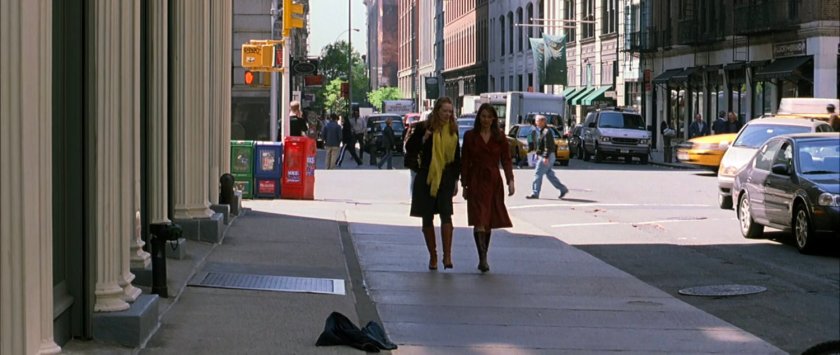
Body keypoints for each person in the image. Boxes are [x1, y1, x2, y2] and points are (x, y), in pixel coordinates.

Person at [405, 97, 461, 270]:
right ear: (437, 110)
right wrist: (424, 139)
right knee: (427, 216)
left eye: (450, 111)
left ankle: (448, 256)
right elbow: (410, 148)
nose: (447, 114)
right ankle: (433, 256)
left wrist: (456, 180)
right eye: (444, 111)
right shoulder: (423, 127)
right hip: (426, 176)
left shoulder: (453, 130)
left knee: (446, 214)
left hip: (445, 177)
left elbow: (456, 158)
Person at [460, 103, 515, 273]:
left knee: (488, 220)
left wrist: (510, 180)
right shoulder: (470, 136)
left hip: (493, 181)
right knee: (479, 219)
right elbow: (465, 160)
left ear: (493, 119)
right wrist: (464, 183)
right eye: (483, 116)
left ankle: (484, 255)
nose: (485, 120)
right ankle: (482, 257)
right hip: (475, 179)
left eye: (489, 117)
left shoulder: (500, 138)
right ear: (479, 118)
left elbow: (506, 159)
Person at [525, 115, 569, 200]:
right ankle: (563, 189)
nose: (536, 123)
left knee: (538, 173)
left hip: (547, 155)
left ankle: (535, 193)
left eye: (537, 121)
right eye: (536, 121)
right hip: (548, 155)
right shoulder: (542, 131)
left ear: (543, 122)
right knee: (549, 174)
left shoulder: (546, 131)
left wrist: (545, 156)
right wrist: (538, 153)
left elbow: (547, 146)